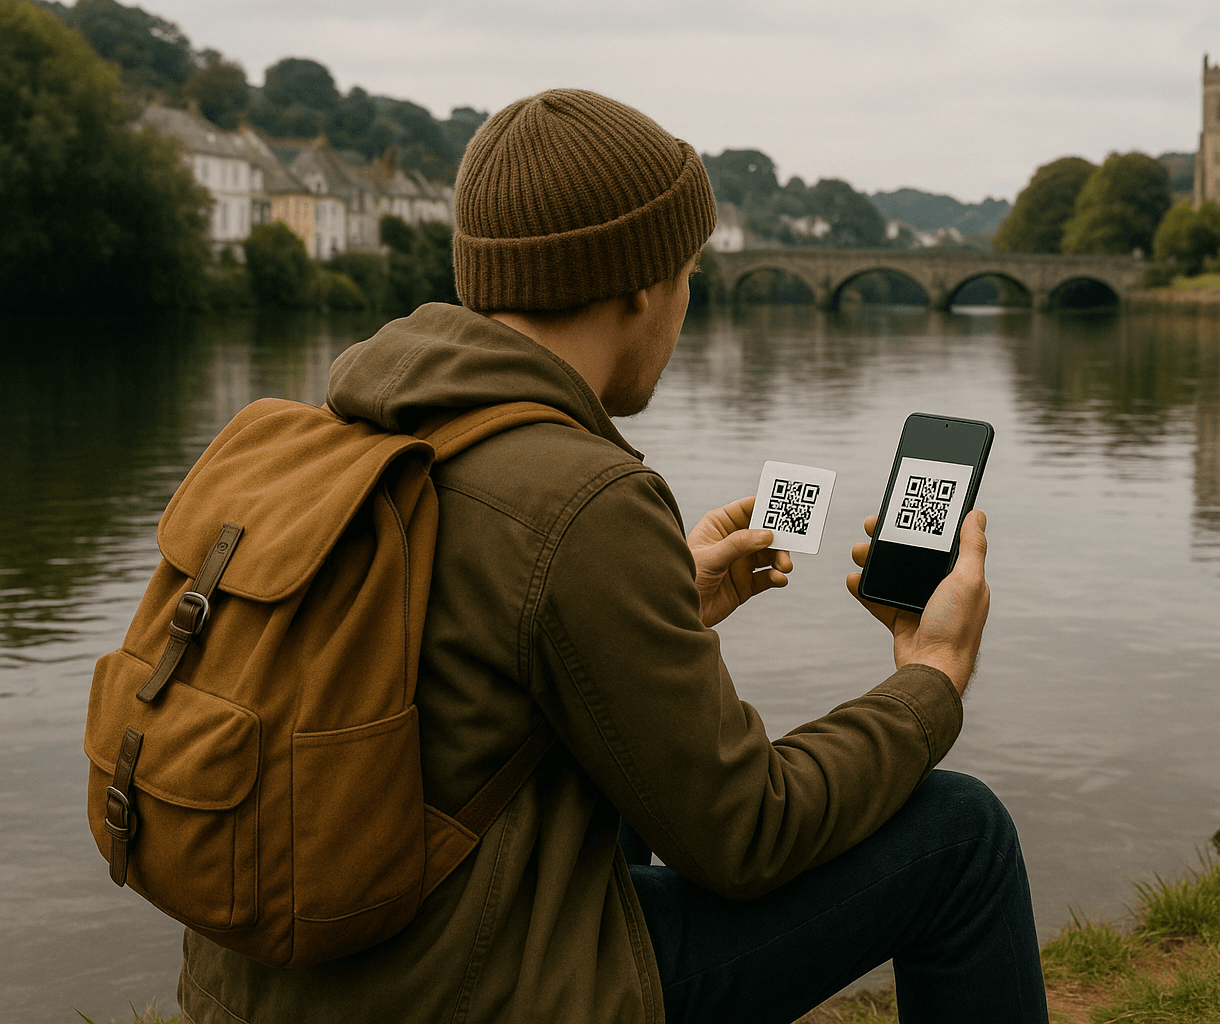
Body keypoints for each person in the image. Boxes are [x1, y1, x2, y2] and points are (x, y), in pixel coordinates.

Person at [177, 88, 1048, 1024]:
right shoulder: (578, 495)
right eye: (687, 274)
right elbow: (749, 833)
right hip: (460, 996)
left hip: (276, 985)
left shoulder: (352, 432)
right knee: (962, 837)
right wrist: (932, 675)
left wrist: (656, 604)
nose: (686, 300)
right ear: (640, 282)